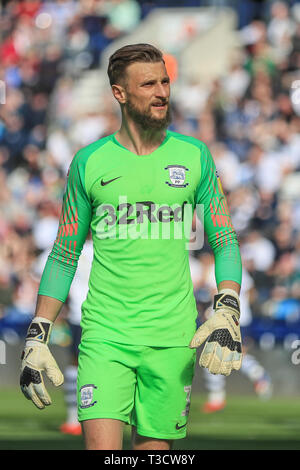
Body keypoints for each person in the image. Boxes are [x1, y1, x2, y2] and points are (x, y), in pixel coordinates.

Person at [20, 43, 243, 451]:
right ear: (120, 93)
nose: (161, 92)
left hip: (174, 338)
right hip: (105, 335)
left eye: (164, 81)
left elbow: (224, 238)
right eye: (148, 84)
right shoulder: (89, 162)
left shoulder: (195, 156)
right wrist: (38, 333)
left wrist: (227, 301)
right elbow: (65, 252)